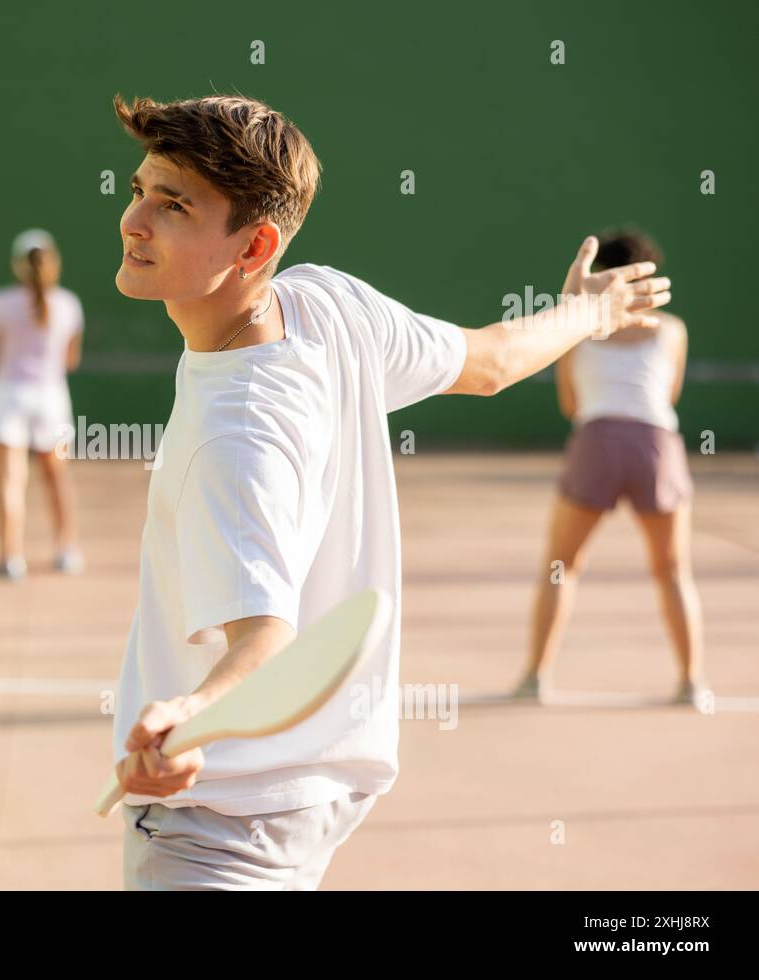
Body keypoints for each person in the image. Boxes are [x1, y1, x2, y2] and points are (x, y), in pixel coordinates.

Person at [107, 93, 670, 890]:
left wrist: (189, 717)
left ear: (255, 243)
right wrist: (590, 310)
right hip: (315, 795)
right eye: (138, 192)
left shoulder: (236, 431)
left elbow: (263, 637)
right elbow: (490, 361)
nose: (135, 221)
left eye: (174, 206)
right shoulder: (329, 304)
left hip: (218, 824)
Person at [513, 229, 708, 709]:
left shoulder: (575, 330)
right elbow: (669, 396)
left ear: (602, 277)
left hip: (595, 440)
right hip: (655, 445)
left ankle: (536, 678)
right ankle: (692, 684)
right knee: (673, 571)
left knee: (561, 567)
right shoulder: (674, 330)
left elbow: (570, 402)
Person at [0, 229, 85, 580]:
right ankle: (66, 551)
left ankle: (10, 558)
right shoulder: (69, 304)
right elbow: (70, 360)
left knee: (10, 479)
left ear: (19, 265)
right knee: (57, 478)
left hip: (7, 396)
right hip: (51, 398)